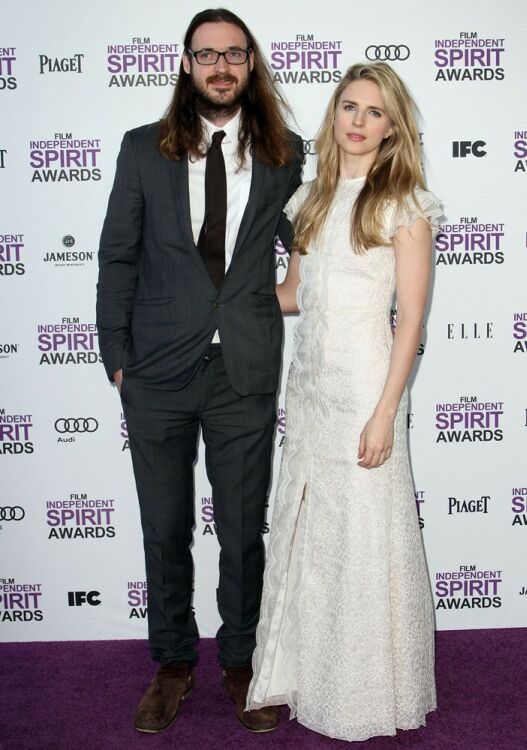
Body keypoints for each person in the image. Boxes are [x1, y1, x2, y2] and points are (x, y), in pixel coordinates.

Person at [96, 7, 303, 735]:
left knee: (243, 529)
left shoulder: (283, 153)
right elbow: (117, 255)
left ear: (250, 64)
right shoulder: (141, 149)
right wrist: (116, 358)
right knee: (164, 527)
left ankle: (243, 662)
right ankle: (173, 662)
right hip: (154, 369)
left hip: (242, 366)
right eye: (206, 54)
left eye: (233, 54)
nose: (220, 66)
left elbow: (310, 238)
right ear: (186, 64)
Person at [246, 62, 440, 741]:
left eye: (374, 112)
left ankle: (364, 689)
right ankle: (309, 671)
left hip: (365, 389)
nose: (357, 121)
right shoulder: (310, 198)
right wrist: (221, 295)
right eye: (348, 107)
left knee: (362, 533)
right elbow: (293, 294)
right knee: (314, 532)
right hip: (310, 389)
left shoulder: (404, 205)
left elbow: (410, 321)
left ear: (392, 129)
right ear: (333, 115)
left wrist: (385, 412)